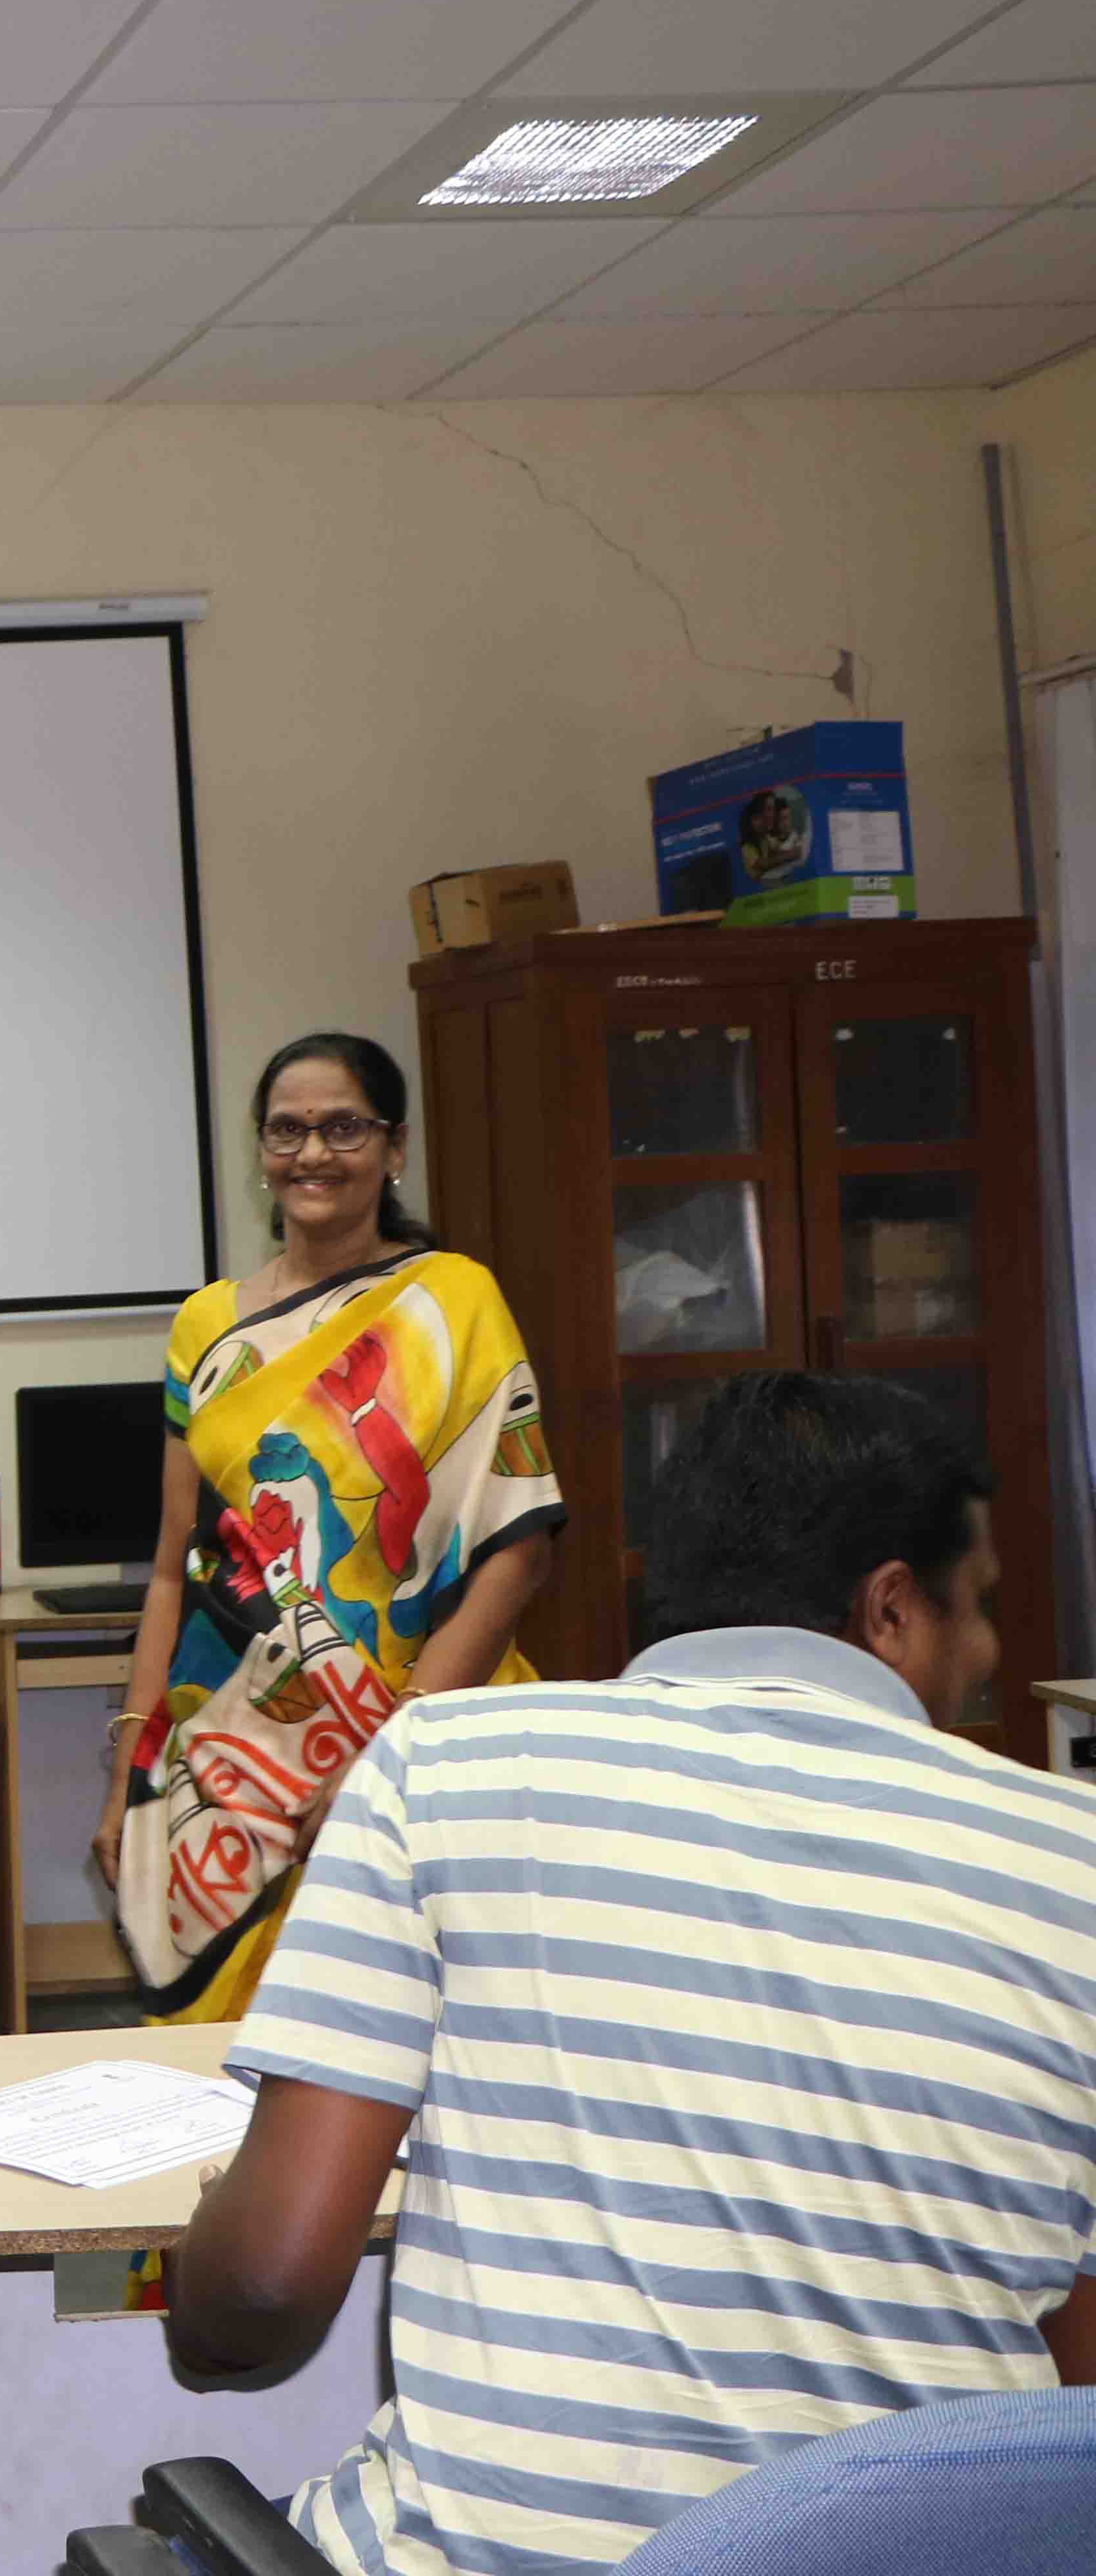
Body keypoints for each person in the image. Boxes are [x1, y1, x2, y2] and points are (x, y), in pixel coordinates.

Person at [166, 1371, 1096, 2575]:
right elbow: (1069, 2417)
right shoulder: (1075, 1857)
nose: (989, 1651)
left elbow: (271, 2283)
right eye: (982, 1608)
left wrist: (200, 2278)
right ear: (889, 1610)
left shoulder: (442, 1768)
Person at [93, 1033, 562, 2025]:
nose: (312, 1153)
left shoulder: (455, 1302)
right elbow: (175, 1565)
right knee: (223, 2054)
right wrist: (134, 1765)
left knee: (416, 2033)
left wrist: (384, 1756)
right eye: (288, 1131)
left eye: (343, 1128)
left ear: (395, 1147)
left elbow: (518, 1550)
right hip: (236, 1745)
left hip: (421, 1731)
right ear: (261, 1150)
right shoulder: (207, 1325)